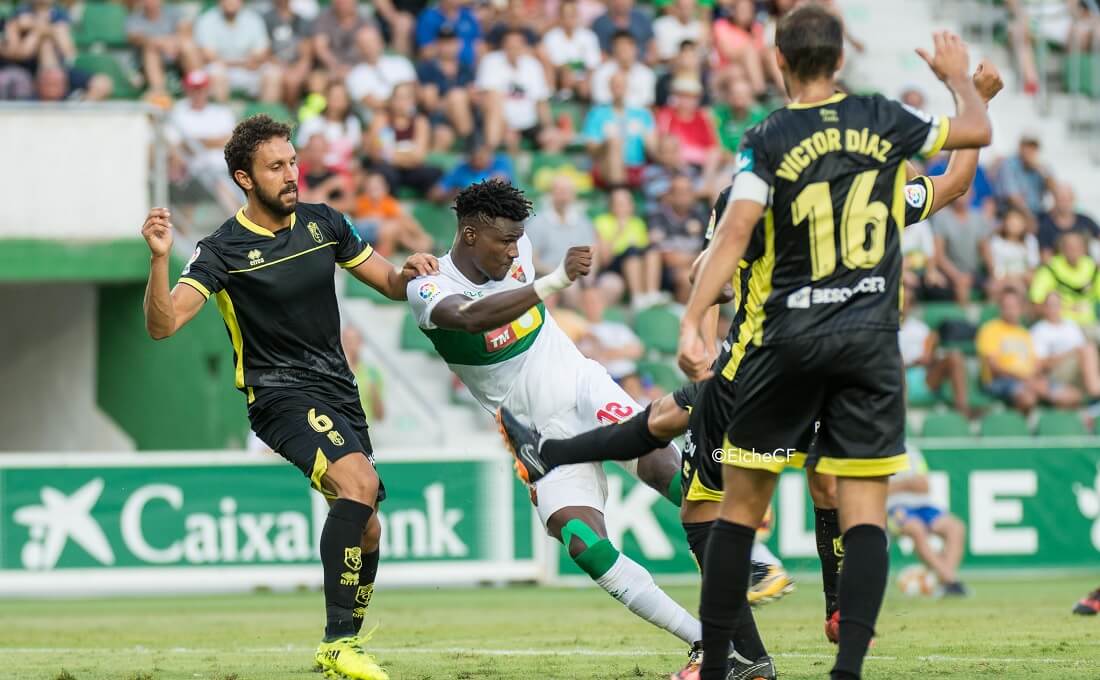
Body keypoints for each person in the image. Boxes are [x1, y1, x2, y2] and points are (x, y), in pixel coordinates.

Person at [677, 9, 993, 679]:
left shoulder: (768, 140)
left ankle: (718, 669)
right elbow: (968, 151)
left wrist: (692, 319)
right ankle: (846, 669)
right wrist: (965, 85)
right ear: (840, 61)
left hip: (784, 339)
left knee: (736, 510)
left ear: (778, 62)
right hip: (869, 342)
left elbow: (730, 236)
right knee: (863, 511)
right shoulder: (881, 128)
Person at [140, 114, 437, 680]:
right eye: (276, 167)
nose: (291, 174)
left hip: (338, 391)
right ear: (243, 178)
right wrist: (159, 258)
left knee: (368, 522)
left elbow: (391, 284)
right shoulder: (220, 249)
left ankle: (344, 640)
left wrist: (415, 270)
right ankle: (338, 642)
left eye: (294, 162)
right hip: (277, 395)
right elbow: (163, 325)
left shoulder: (325, 223)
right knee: (359, 484)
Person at [405, 178, 703, 667]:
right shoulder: (429, 287)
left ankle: (748, 559)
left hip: (580, 386)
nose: (514, 248)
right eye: (503, 239)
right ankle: (704, 640)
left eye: (515, 238)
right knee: (582, 541)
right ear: (470, 234)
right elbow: (473, 317)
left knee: (662, 465)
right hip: (535, 434)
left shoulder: (514, 242)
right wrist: (552, 282)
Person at [886, 445, 969, 596]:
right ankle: (951, 581)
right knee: (916, 529)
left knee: (956, 527)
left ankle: (946, 582)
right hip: (893, 508)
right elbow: (880, 489)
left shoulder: (911, 450)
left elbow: (924, 485)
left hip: (923, 505)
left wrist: (898, 485)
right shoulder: (878, 452)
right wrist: (908, 484)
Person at [977, 287, 1076, 413]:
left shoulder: (1025, 334)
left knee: (1072, 396)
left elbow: (1035, 364)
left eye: (1014, 306)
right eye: (1006, 306)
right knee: (1028, 398)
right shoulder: (990, 329)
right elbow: (994, 367)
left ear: (1020, 308)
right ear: (1000, 308)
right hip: (1000, 381)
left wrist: (1038, 379)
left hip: (1029, 380)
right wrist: (1025, 379)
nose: (1010, 310)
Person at [476, 27, 562, 153]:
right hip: (503, 124)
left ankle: (543, 171)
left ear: (523, 47)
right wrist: (505, 128)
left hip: (529, 123)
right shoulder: (491, 61)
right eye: (510, 46)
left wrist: (549, 127)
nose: (513, 49)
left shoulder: (532, 65)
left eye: (517, 46)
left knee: (553, 139)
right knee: (510, 140)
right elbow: (487, 100)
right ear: (503, 46)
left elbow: (541, 101)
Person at [899, 282, 973, 416]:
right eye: (901, 302)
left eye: (907, 302)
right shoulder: (884, 330)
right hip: (897, 380)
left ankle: (963, 410)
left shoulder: (921, 329)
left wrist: (930, 357)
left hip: (924, 379)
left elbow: (929, 358)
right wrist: (911, 363)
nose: (903, 306)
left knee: (954, 356)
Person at [195, 0, 281, 103]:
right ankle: (223, 115)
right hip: (222, 70)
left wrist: (252, 61)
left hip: (248, 70)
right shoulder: (207, 19)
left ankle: (267, 115)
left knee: (273, 73)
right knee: (217, 71)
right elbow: (209, 55)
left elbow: (261, 52)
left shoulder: (253, 19)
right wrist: (242, 63)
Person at [583, 70, 656, 189]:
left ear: (628, 87)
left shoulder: (642, 115)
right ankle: (619, 192)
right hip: (605, 166)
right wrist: (608, 144)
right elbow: (591, 149)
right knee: (614, 144)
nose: (618, 89)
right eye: (615, 85)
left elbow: (652, 146)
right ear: (609, 88)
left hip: (636, 166)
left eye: (622, 85)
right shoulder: (597, 114)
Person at [1031, 291, 1100, 404]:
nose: (1054, 308)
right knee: (1088, 349)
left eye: (1057, 305)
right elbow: (1041, 364)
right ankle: (1095, 390)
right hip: (1056, 373)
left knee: (1091, 348)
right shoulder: (1039, 330)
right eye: (1050, 305)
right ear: (1045, 308)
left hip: (1077, 369)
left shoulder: (1071, 325)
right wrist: (1069, 354)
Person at [1028, 230, 1100, 338]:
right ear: (1062, 249)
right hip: (1060, 325)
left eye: (1077, 247)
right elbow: (1036, 303)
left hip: (1090, 324)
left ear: (1084, 249)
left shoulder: (1092, 268)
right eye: (1069, 247)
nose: (1073, 250)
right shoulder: (1050, 269)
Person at [126, 0, 201, 96]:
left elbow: (186, 31)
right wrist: (161, 42)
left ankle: (198, 85)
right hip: (147, 64)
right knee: (150, 49)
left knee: (187, 45)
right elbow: (136, 38)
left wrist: (173, 43)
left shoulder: (173, 11)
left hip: (176, 56)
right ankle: (159, 92)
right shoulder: (134, 18)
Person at [539, 0, 601, 100]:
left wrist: (585, 80)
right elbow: (553, 65)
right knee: (566, 73)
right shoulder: (551, 36)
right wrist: (567, 71)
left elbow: (593, 65)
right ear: (559, 17)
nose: (569, 19)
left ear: (578, 15)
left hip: (584, 81)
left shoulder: (589, 36)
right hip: (560, 79)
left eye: (572, 15)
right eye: (565, 15)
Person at [345, 24, 416, 111]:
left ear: (381, 42)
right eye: (365, 43)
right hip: (382, 117)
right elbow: (373, 103)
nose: (370, 46)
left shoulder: (401, 62)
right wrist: (399, 102)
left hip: (411, 113)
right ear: (358, 48)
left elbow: (415, 89)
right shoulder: (355, 76)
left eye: (373, 41)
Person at [984, 205, 1039, 300]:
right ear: (1005, 223)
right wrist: (1011, 279)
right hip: (1002, 280)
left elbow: (1032, 269)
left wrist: (1017, 278)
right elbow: (996, 271)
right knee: (993, 287)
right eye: (1011, 220)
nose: (1014, 224)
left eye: (1018, 221)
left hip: (1023, 281)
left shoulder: (1030, 241)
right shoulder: (996, 242)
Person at [591, 30, 656, 108]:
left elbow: (646, 101)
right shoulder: (601, 72)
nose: (624, 50)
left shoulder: (646, 74)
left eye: (627, 46)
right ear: (614, 49)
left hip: (637, 116)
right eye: (620, 47)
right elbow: (600, 99)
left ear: (636, 48)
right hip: (608, 115)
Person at [1038, 183, 1100, 262]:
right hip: (1060, 271)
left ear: (1073, 199)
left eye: (1067, 199)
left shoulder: (1085, 221)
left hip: (1087, 270)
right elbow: (1046, 257)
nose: (1064, 203)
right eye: (1061, 199)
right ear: (1054, 200)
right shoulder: (1046, 225)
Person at [311, 0, 372, 78]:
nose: (342, 2)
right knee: (317, 80)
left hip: (360, 69)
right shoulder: (324, 18)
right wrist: (337, 67)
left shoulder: (365, 20)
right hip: (330, 69)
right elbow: (320, 48)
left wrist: (355, 70)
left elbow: (373, 50)